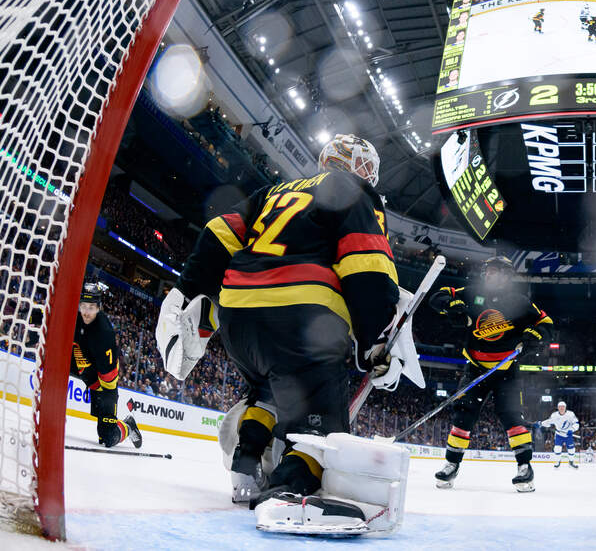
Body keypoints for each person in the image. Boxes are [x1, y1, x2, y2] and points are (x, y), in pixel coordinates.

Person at [166, 134, 412, 517]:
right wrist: (373, 341)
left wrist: (187, 291)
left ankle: (246, 461)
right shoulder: (353, 191)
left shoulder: (273, 191)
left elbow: (218, 233)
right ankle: (287, 492)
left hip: (238, 316)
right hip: (302, 317)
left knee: (268, 390)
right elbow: (367, 264)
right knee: (322, 424)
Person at [428, 256, 552, 492]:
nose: (487, 274)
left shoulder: (519, 302)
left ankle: (524, 467)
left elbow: (546, 322)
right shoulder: (472, 292)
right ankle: (451, 464)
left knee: (512, 416)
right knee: (463, 414)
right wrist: (451, 305)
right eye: (487, 271)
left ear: (506, 275)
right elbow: (438, 296)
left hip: (506, 371)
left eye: (493, 271)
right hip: (475, 368)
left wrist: (536, 335)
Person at [72, 283, 141, 449]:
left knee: (107, 437)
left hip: (104, 381)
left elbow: (108, 379)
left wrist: (102, 398)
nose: (86, 312)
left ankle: (128, 425)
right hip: (82, 367)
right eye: (83, 306)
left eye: (91, 307)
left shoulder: (103, 333)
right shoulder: (74, 316)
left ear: (98, 307)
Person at [541, 401, 581, 468]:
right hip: (559, 435)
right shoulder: (554, 415)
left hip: (568, 435)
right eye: (560, 407)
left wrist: (572, 429)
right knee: (557, 448)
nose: (561, 408)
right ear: (558, 408)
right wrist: (541, 423)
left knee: (571, 449)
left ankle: (571, 462)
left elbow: (576, 423)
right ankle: (558, 461)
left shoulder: (571, 414)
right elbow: (548, 422)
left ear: (565, 407)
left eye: (563, 407)